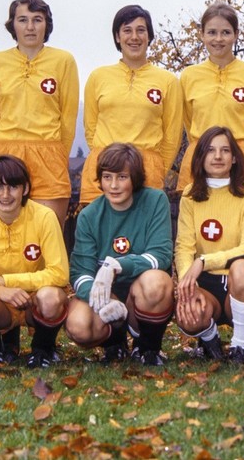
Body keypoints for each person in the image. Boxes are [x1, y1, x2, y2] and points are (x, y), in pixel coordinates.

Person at [0, 155, 69, 368]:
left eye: (13, 187)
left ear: (25, 189)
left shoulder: (45, 217)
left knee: (51, 296)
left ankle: (43, 348)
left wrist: (3, 280)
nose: (5, 195)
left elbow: (60, 273)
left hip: (34, 299)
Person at [66, 143, 174, 366]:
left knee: (157, 281)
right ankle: (114, 344)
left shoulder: (155, 201)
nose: (113, 185)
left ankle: (147, 347)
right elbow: (80, 273)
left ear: (134, 178)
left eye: (122, 177)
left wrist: (117, 265)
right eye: (107, 177)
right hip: (107, 294)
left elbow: (161, 254)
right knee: (78, 325)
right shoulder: (89, 215)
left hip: (141, 293)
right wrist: (104, 299)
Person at [0, 0, 79, 225]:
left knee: (49, 231)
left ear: (47, 25)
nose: (30, 27)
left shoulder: (63, 61)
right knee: (5, 233)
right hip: (7, 153)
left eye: (37, 19)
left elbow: (68, 118)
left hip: (48, 154)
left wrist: (55, 155)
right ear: (12, 25)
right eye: (23, 20)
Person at [175, 126, 244, 364]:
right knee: (189, 315)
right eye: (210, 150)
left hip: (239, 283)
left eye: (225, 150)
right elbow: (184, 246)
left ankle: (241, 347)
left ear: (234, 158)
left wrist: (204, 261)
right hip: (205, 283)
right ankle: (209, 338)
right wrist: (187, 280)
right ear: (200, 157)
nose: (217, 156)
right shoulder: (189, 195)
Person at [80, 5, 182, 203]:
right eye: (127, 30)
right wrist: (108, 161)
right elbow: (91, 129)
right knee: (101, 232)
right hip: (103, 173)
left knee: (141, 233)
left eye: (141, 30)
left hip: (146, 175)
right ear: (118, 37)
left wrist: (155, 167)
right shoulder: (98, 77)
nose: (134, 37)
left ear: (149, 36)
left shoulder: (167, 81)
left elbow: (172, 136)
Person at [178, 2, 244, 191]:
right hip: (201, 158)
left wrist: (241, 152)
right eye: (211, 32)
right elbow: (189, 121)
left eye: (226, 32)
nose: (218, 39)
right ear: (201, 34)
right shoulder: (189, 76)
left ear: (236, 34)